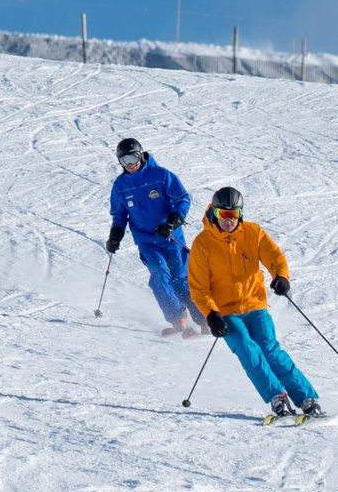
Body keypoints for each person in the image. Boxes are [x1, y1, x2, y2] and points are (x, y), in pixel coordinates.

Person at [186, 185, 323, 421]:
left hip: (255, 306)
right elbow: (198, 287)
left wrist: (281, 277)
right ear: (214, 214)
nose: (228, 221)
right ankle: (277, 397)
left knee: (270, 350)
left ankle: (306, 399)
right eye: (222, 215)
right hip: (225, 312)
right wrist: (211, 314)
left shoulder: (253, 233)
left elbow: (274, 256)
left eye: (233, 215)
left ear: (240, 214)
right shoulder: (203, 243)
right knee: (246, 347)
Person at [105, 136, 197, 336]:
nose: (130, 164)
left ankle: (204, 319)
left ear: (141, 155)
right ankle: (178, 319)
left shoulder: (161, 175)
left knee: (181, 276)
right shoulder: (120, 186)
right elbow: (120, 214)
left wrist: (172, 222)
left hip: (171, 238)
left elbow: (182, 199)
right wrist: (115, 235)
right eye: (124, 160)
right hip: (147, 241)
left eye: (133, 158)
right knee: (159, 274)